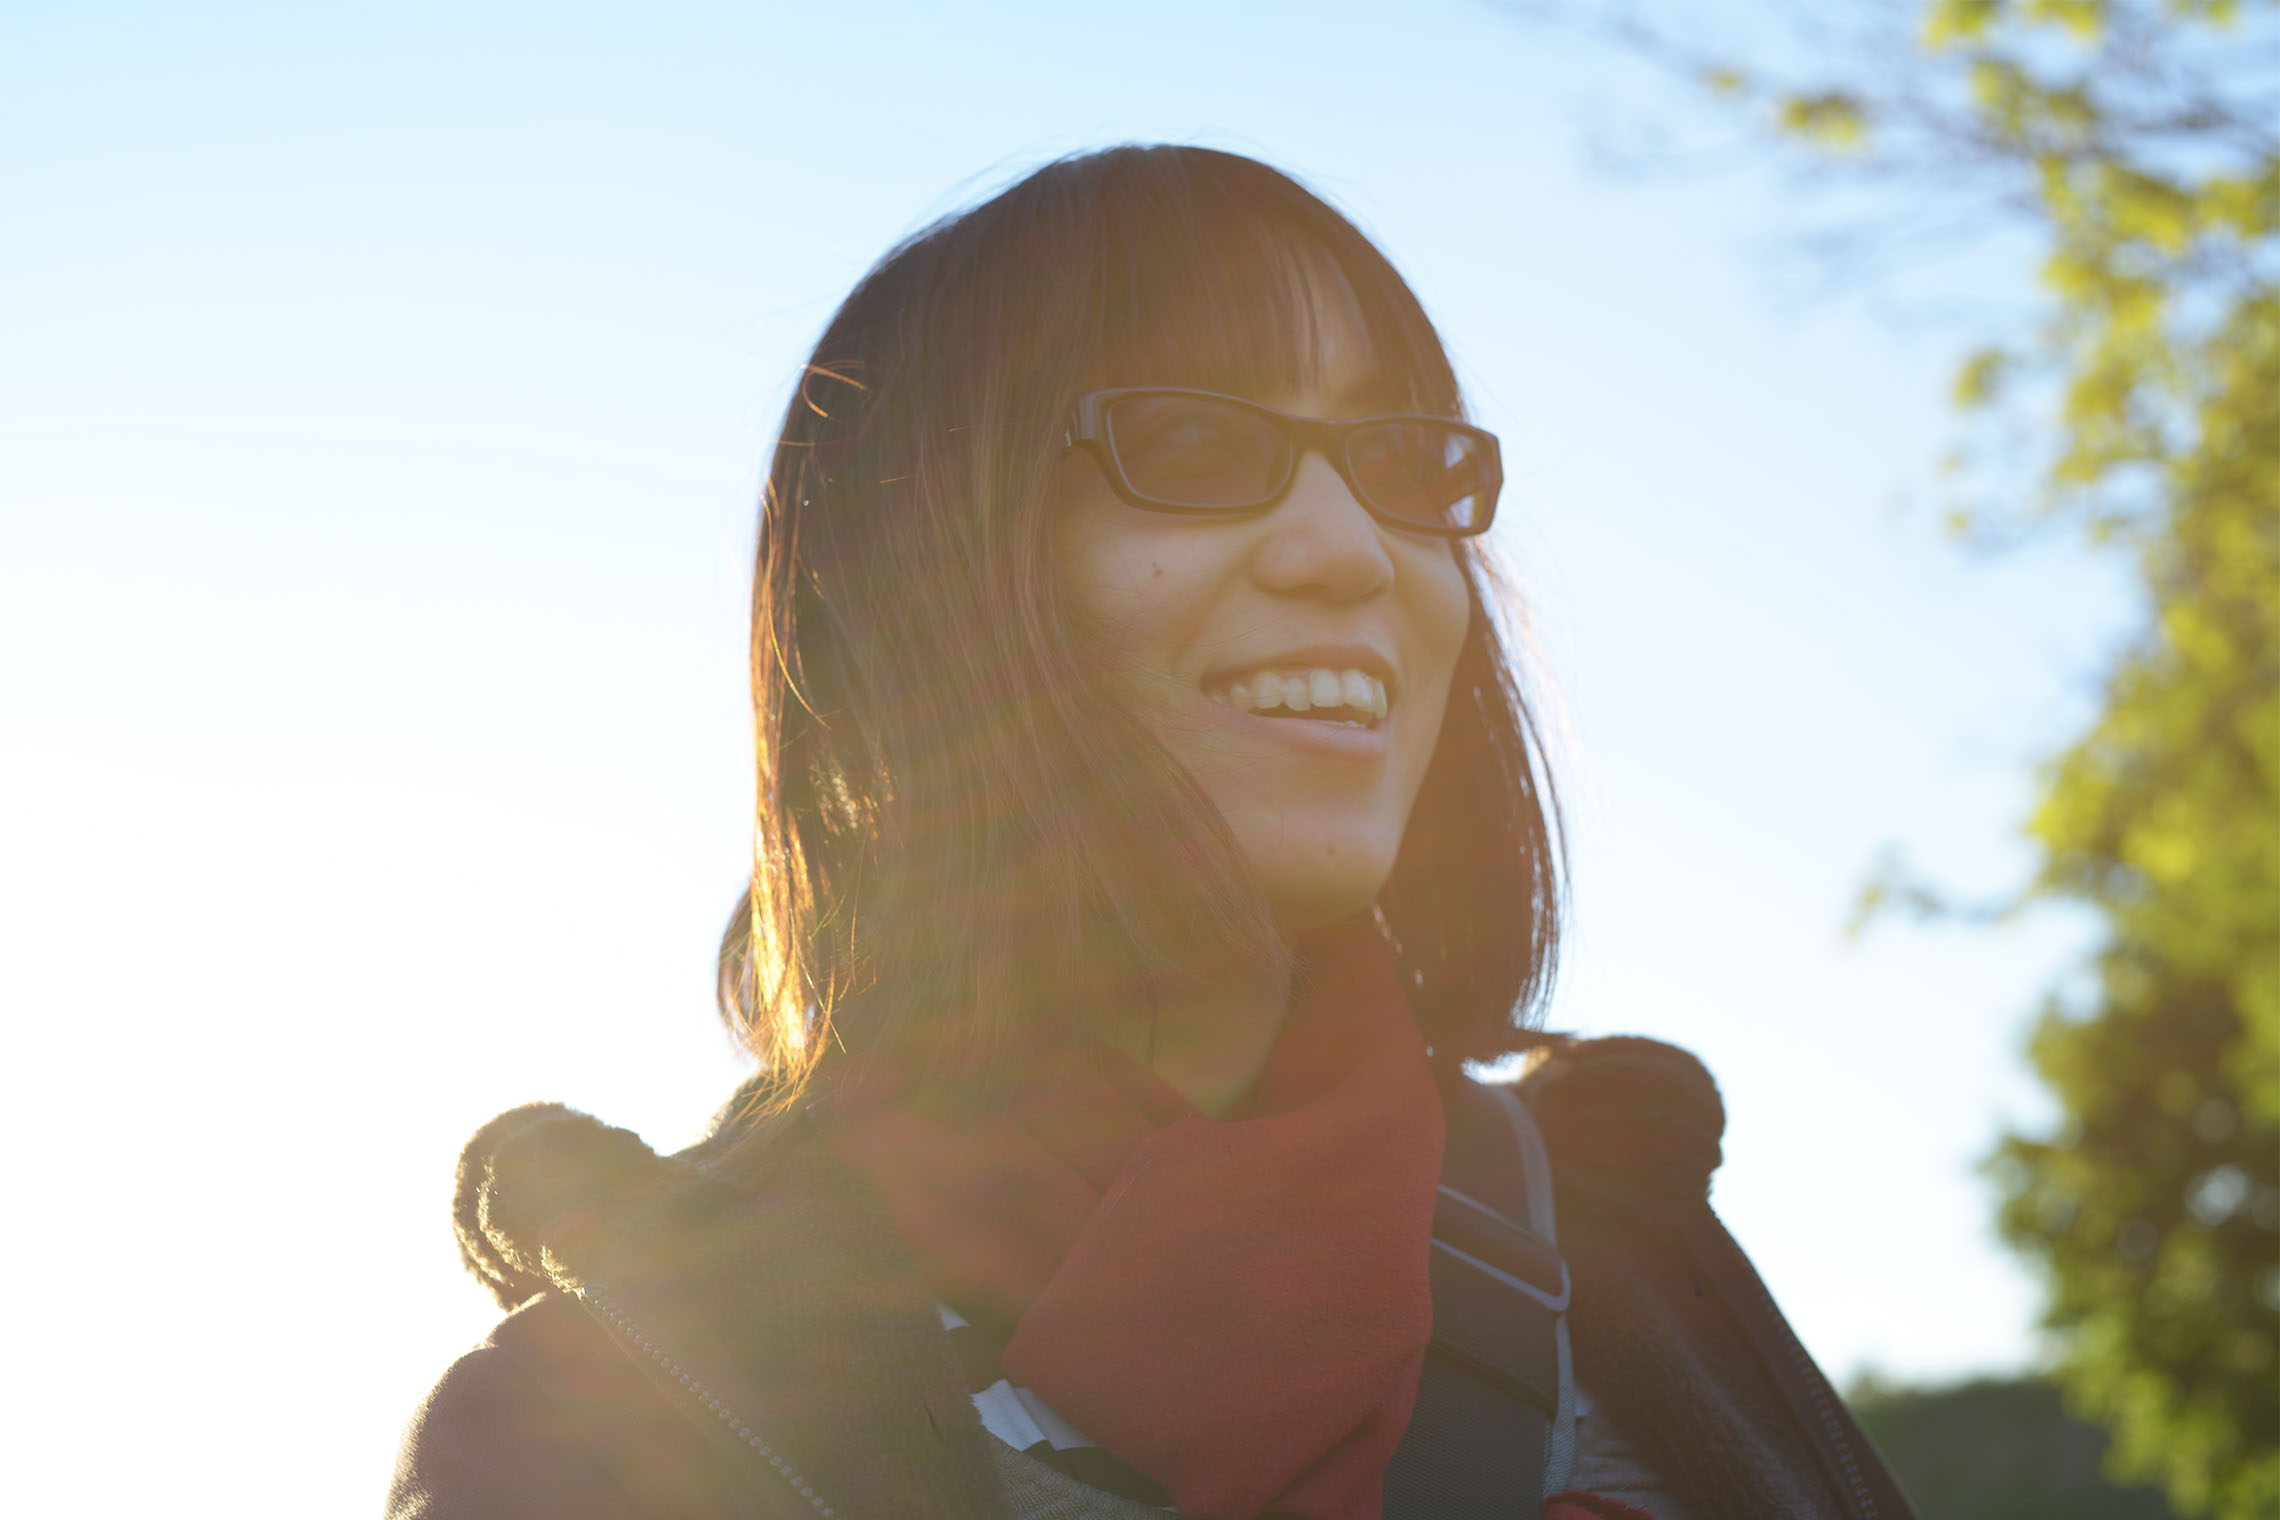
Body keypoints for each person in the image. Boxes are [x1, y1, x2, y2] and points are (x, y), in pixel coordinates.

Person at [387, 145, 1920, 1520]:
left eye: (1405, 463)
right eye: (1188, 448)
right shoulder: (605, 1427)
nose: (1349, 550)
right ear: (920, 574)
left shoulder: (1632, 1253)